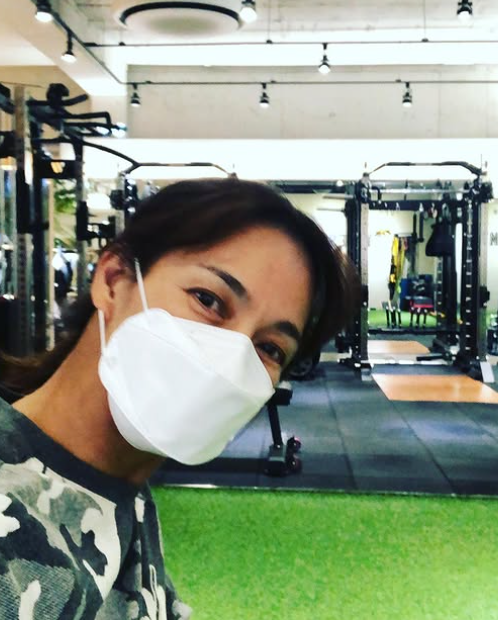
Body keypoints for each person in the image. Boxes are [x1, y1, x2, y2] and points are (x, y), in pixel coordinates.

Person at [0, 178, 358, 619]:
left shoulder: (121, 489)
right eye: (208, 300)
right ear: (113, 281)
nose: (232, 360)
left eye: (270, 348)